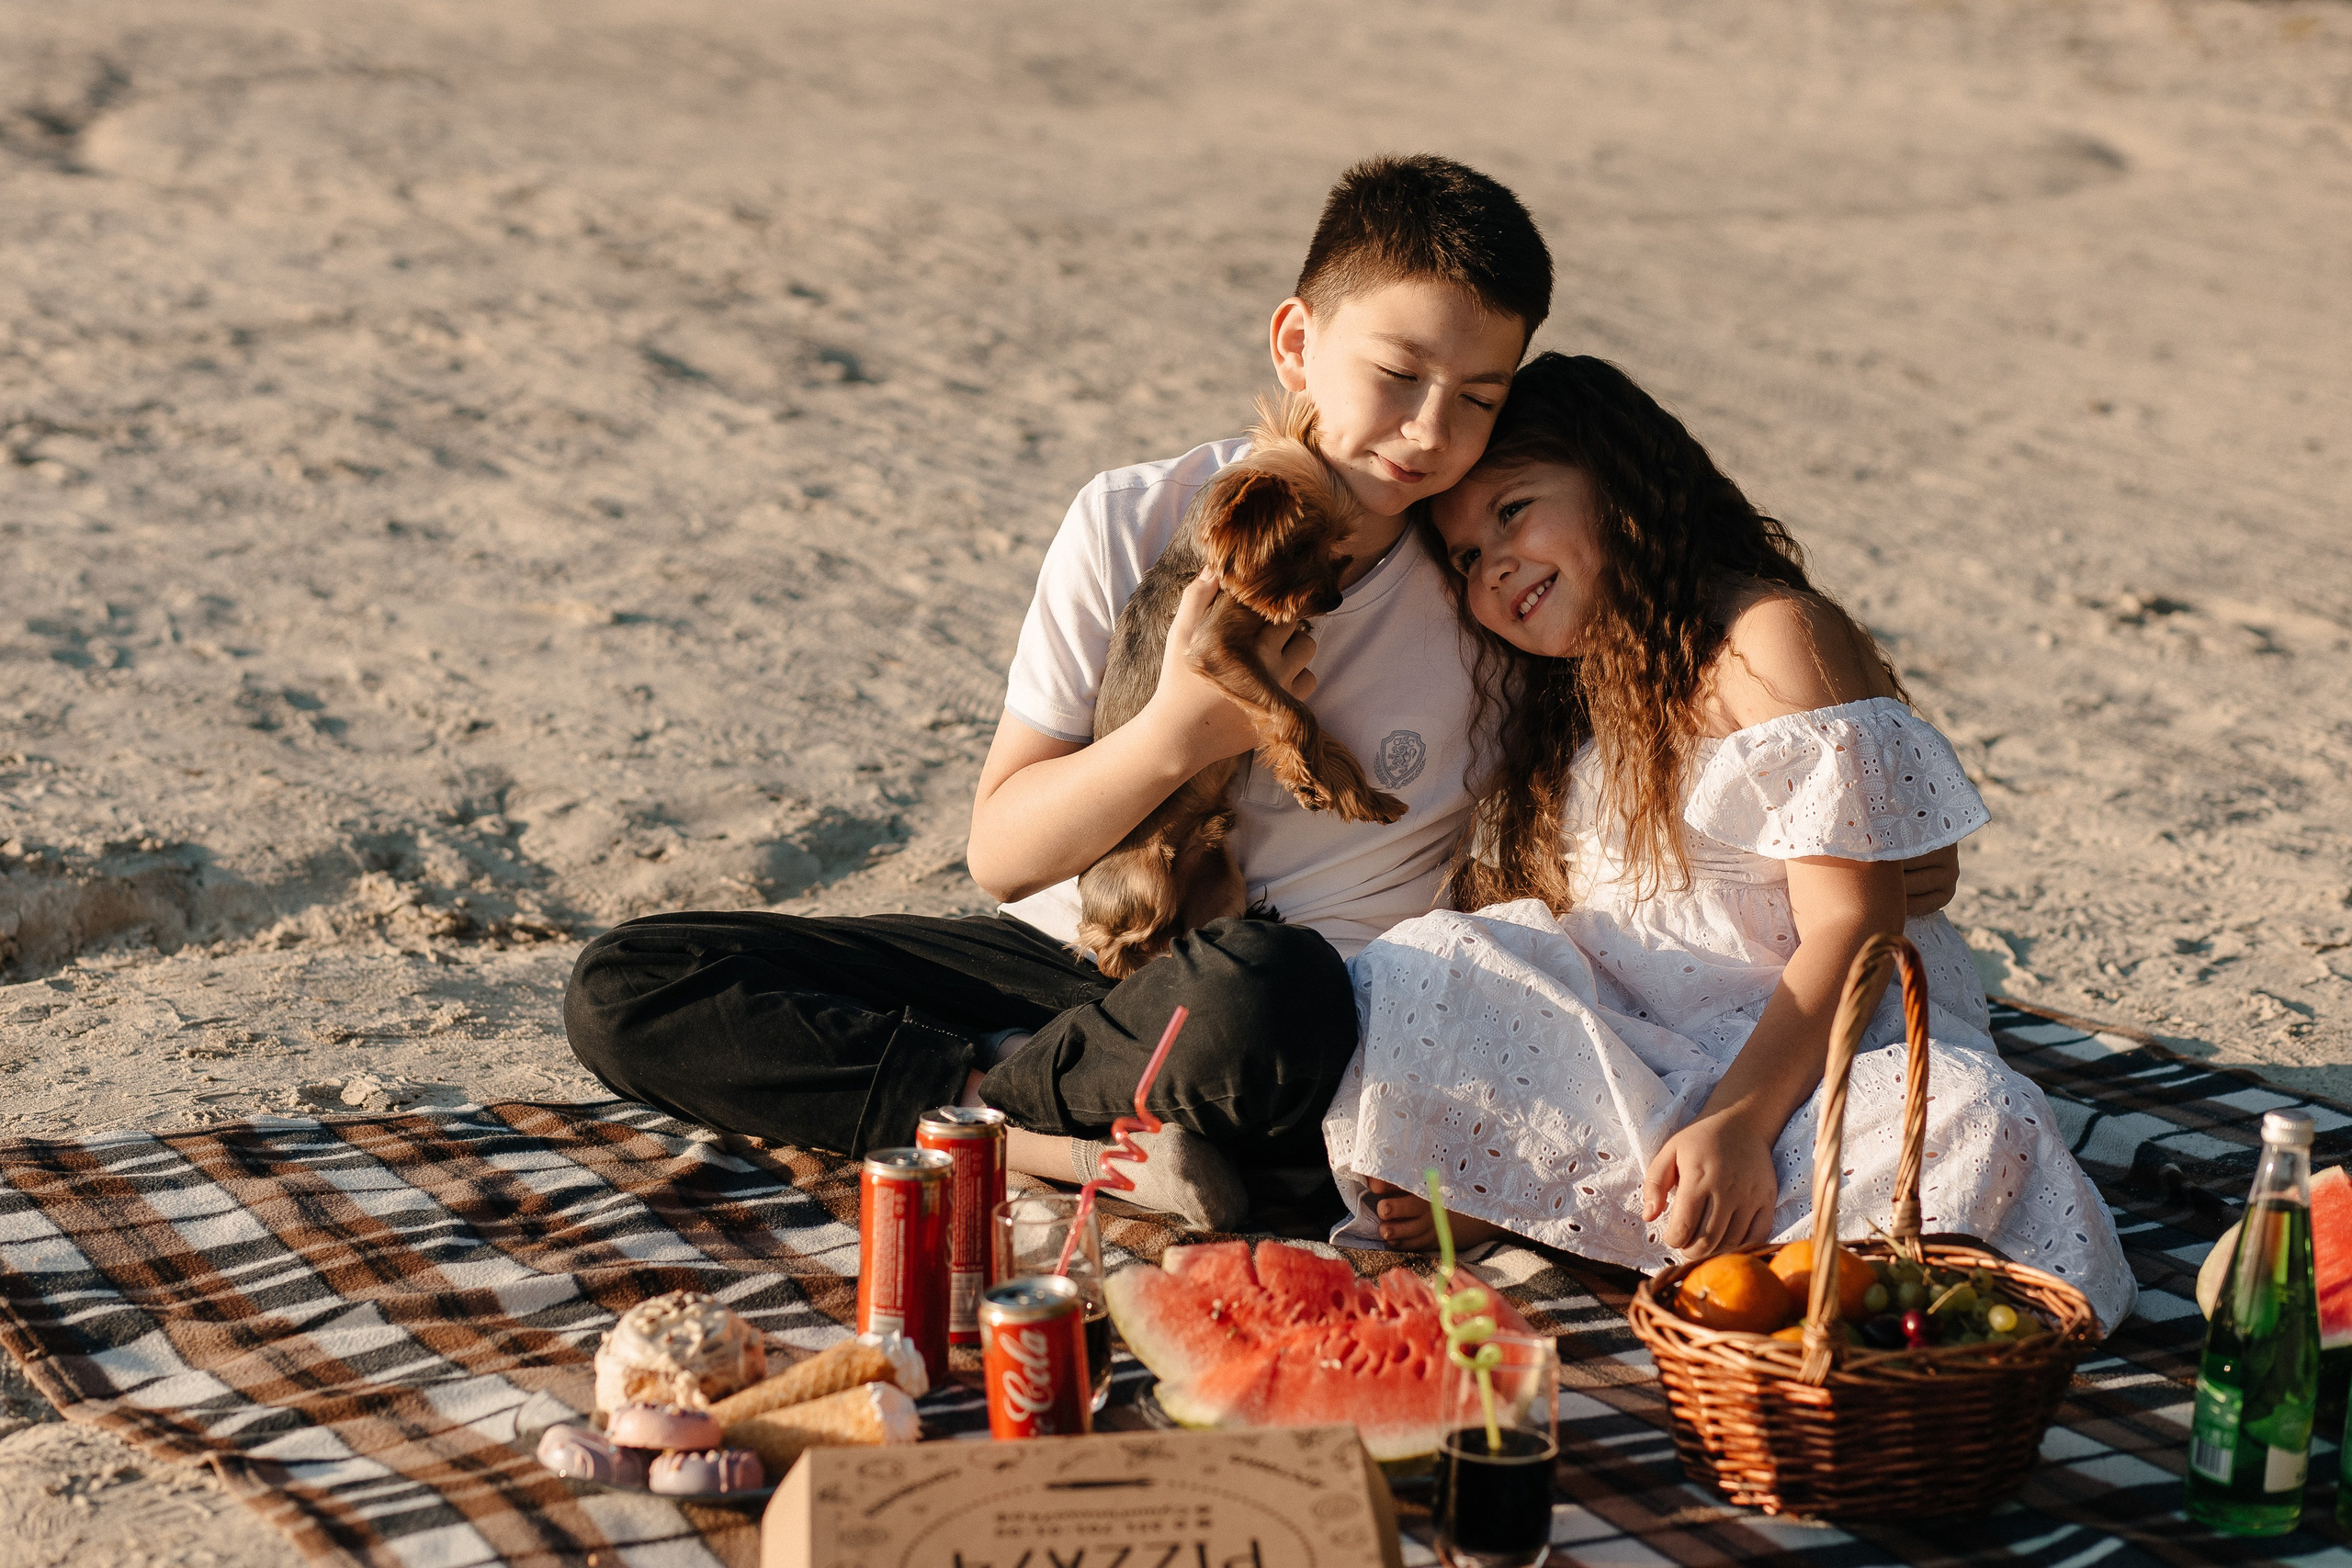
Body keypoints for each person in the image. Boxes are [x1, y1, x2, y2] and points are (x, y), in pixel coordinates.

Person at [565, 159, 1960, 1234]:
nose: (1430, 433)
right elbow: (1002, 853)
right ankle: (1035, 1126)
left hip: (1297, 1013)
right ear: (1296, 342)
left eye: (1478, 397)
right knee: (630, 983)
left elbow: (1747, 750)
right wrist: (1176, 732)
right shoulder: (1135, 517)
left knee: (1264, 992)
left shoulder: (1488, 587)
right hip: (1069, 966)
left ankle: (1017, 1106)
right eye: (1396, 375)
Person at [1325, 353, 2134, 1331]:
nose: (1492, 564)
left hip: (1812, 1068)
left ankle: (1621, 1206)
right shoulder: (1570, 699)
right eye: (1463, 558)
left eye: (1513, 511)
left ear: (1620, 482)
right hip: (1648, 1071)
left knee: (1977, 1114)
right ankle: (1607, 1200)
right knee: (1422, 961)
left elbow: (1855, 926)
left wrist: (1742, 1124)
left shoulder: (1767, 640)